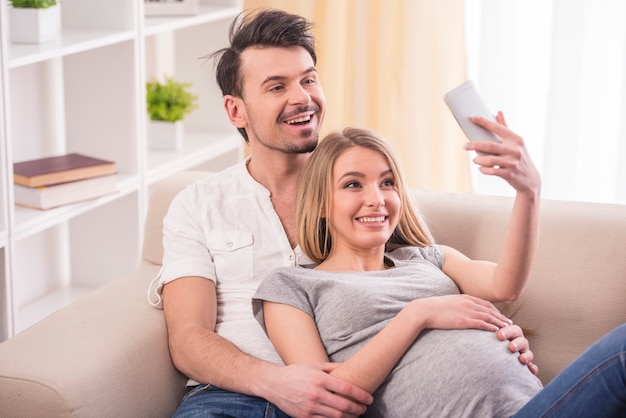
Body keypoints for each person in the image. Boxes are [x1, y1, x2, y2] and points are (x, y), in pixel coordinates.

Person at [148, 8, 539, 418]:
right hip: (232, 397)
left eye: (308, 79)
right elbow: (188, 338)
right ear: (236, 111)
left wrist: (493, 340)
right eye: (276, 86)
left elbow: (424, 277)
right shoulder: (198, 204)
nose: (301, 97)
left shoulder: (360, 182)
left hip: (348, 397)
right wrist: (278, 382)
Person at [252, 127, 626, 417]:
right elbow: (327, 400)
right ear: (319, 203)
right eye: (353, 184)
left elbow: (506, 284)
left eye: (387, 182)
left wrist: (528, 192)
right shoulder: (292, 286)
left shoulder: (429, 259)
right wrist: (419, 314)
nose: (376, 198)